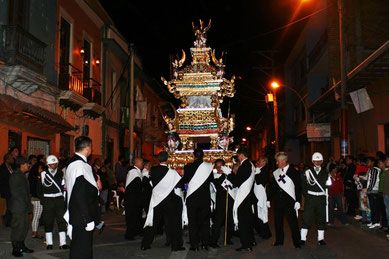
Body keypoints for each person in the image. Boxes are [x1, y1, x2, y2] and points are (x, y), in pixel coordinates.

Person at [141, 151, 185, 251]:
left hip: (157, 200)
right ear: (167, 159)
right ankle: (175, 246)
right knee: (174, 223)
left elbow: (151, 182)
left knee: (153, 222)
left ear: (158, 159)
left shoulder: (153, 170)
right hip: (170, 200)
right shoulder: (172, 172)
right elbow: (180, 184)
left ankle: (145, 244)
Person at [64, 136, 99, 259]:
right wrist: (87, 218)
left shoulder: (73, 163)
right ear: (88, 148)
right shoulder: (79, 165)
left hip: (78, 214)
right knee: (82, 250)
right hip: (82, 216)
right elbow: (79, 195)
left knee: (79, 248)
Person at [179, 149, 213, 251]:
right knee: (205, 223)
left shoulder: (188, 167)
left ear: (193, 156)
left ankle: (194, 245)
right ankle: (205, 243)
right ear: (203, 156)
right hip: (204, 199)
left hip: (192, 199)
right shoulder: (208, 167)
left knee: (193, 223)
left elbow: (184, 180)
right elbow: (211, 179)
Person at [267, 152, 301, 248]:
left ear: (283, 161)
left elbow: (298, 187)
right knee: (278, 222)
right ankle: (279, 240)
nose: (277, 163)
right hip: (278, 202)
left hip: (289, 202)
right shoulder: (276, 172)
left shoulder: (293, 172)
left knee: (293, 223)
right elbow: (273, 187)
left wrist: (298, 201)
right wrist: (269, 199)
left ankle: (297, 242)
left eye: (278, 161)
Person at [227, 148, 256, 252]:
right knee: (247, 221)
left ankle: (246, 244)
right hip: (247, 196)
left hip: (244, 196)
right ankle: (250, 241)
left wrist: (229, 174)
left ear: (242, 155)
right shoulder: (249, 164)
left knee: (243, 222)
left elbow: (237, 181)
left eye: (238, 155)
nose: (238, 157)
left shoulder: (245, 165)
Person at [300, 152, 331, 246]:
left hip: (321, 198)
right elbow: (303, 185)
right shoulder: (307, 172)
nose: (317, 162)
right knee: (306, 218)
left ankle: (321, 239)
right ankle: (302, 238)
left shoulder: (326, 172)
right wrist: (308, 195)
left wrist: (325, 193)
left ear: (322, 161)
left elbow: (328, 185)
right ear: (313, 161)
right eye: (315, 161)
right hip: (311, 198)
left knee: (321, 219)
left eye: (319, 161)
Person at [39, 155, 69, 249]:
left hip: (59, 199)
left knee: (61, 220)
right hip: (48, 200)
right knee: (48, 221)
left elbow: (64, 187)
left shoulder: (61, 173)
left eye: (55, 164)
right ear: (48, 164)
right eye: (52, 164)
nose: (54, 165)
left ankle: (63, 243)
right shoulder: (43, 174)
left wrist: (64, 199)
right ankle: (49, 243)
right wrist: (43, 200)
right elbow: (39, 189)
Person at [9, 156, 34, 257]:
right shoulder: (16, 175)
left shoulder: (21, 174)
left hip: (23, 206)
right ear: (22, 165)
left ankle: (21, 246)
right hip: (18, 206)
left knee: (24, 227)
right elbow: (16, 192)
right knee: (17, 228)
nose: (28, 165)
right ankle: (15, 249)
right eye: (27, 164)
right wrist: (24, 203)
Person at [210, 159, 234, 248]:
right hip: (220, 202)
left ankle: (228, 238)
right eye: (218, 167)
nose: (219, 168)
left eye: (221, 167)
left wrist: (228, 174)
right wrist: (225, 175)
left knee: (229, 221)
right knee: (218, 222)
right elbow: (217, 185)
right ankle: (214, 241)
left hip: (229, 200)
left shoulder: (229, 174)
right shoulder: (214, 176)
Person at [124, 157, 144, 240]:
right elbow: (133, 187)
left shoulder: (135, 171)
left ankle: (135, 231)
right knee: (132, 217)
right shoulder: (134, 172)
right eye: (142, 162)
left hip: (134, 199)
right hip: (132, 199)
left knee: (135, 216)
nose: (142, 164)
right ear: (137, 163)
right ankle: (129, 234)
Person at [253, 157, 272, 240]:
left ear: (264, 162)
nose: (258, 162)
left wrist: (256, 173)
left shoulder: (264, 170)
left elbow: (259, 181)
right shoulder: (260, 169)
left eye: (260, 161)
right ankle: (260, 231)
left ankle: (266, 233)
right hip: (257, 192)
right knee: (257, 213)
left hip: (261, 193)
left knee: (261, 213)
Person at [362, 157, 383, 229]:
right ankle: (373, 221)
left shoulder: (374, 170)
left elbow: (373, 181)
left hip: (374, 191)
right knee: (372, 206)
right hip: (371, 191)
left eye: (369, 161)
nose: (367, 163)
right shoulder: (371, 169)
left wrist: (368, 189)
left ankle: (376, 222)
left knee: (374, 207)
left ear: (373, 162)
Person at [28, 161, 44, 239]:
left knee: (36, 216)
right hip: (37, 199)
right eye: (40, 168)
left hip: (34, 198)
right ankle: (34, 232)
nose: (42, 169)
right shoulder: (37, 177)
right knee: (36, 217)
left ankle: (35, 231)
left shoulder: (32, 177)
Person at [0, 153, 14, 227]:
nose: (13, 160)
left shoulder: (10, 167)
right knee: (9, 206)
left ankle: (8, 221)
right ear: (7, 160)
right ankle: (7, 221)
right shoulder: (2, 168)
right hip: (7, 190)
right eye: (11, 158)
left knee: (10, 206)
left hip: (11, 190)